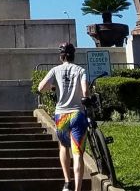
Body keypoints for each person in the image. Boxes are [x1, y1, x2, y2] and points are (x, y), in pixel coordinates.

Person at [38, 42, 89, 191]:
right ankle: (78, 189)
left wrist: (54, 87)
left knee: (63, 147)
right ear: (73, 55)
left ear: (61, 56)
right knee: (78, 153)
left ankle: (67, 183)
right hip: (77, 114)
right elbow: (85, 91)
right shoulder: (80, 70)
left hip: (61, 115)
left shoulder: (55, 70)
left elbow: (41, 87)